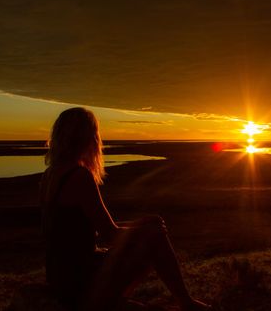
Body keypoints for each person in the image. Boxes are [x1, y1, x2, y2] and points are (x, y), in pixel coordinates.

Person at [39, 107, 210, 310]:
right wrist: (144, 232)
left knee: (151, 225)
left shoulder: (50, 175)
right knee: (154, 236)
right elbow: (110, 234)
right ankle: (185, 302)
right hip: (78, 277)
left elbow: (84, 227)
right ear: (89, 137)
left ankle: (119, 300)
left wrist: (139, 225)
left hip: (61, 274)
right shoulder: (79, 176)